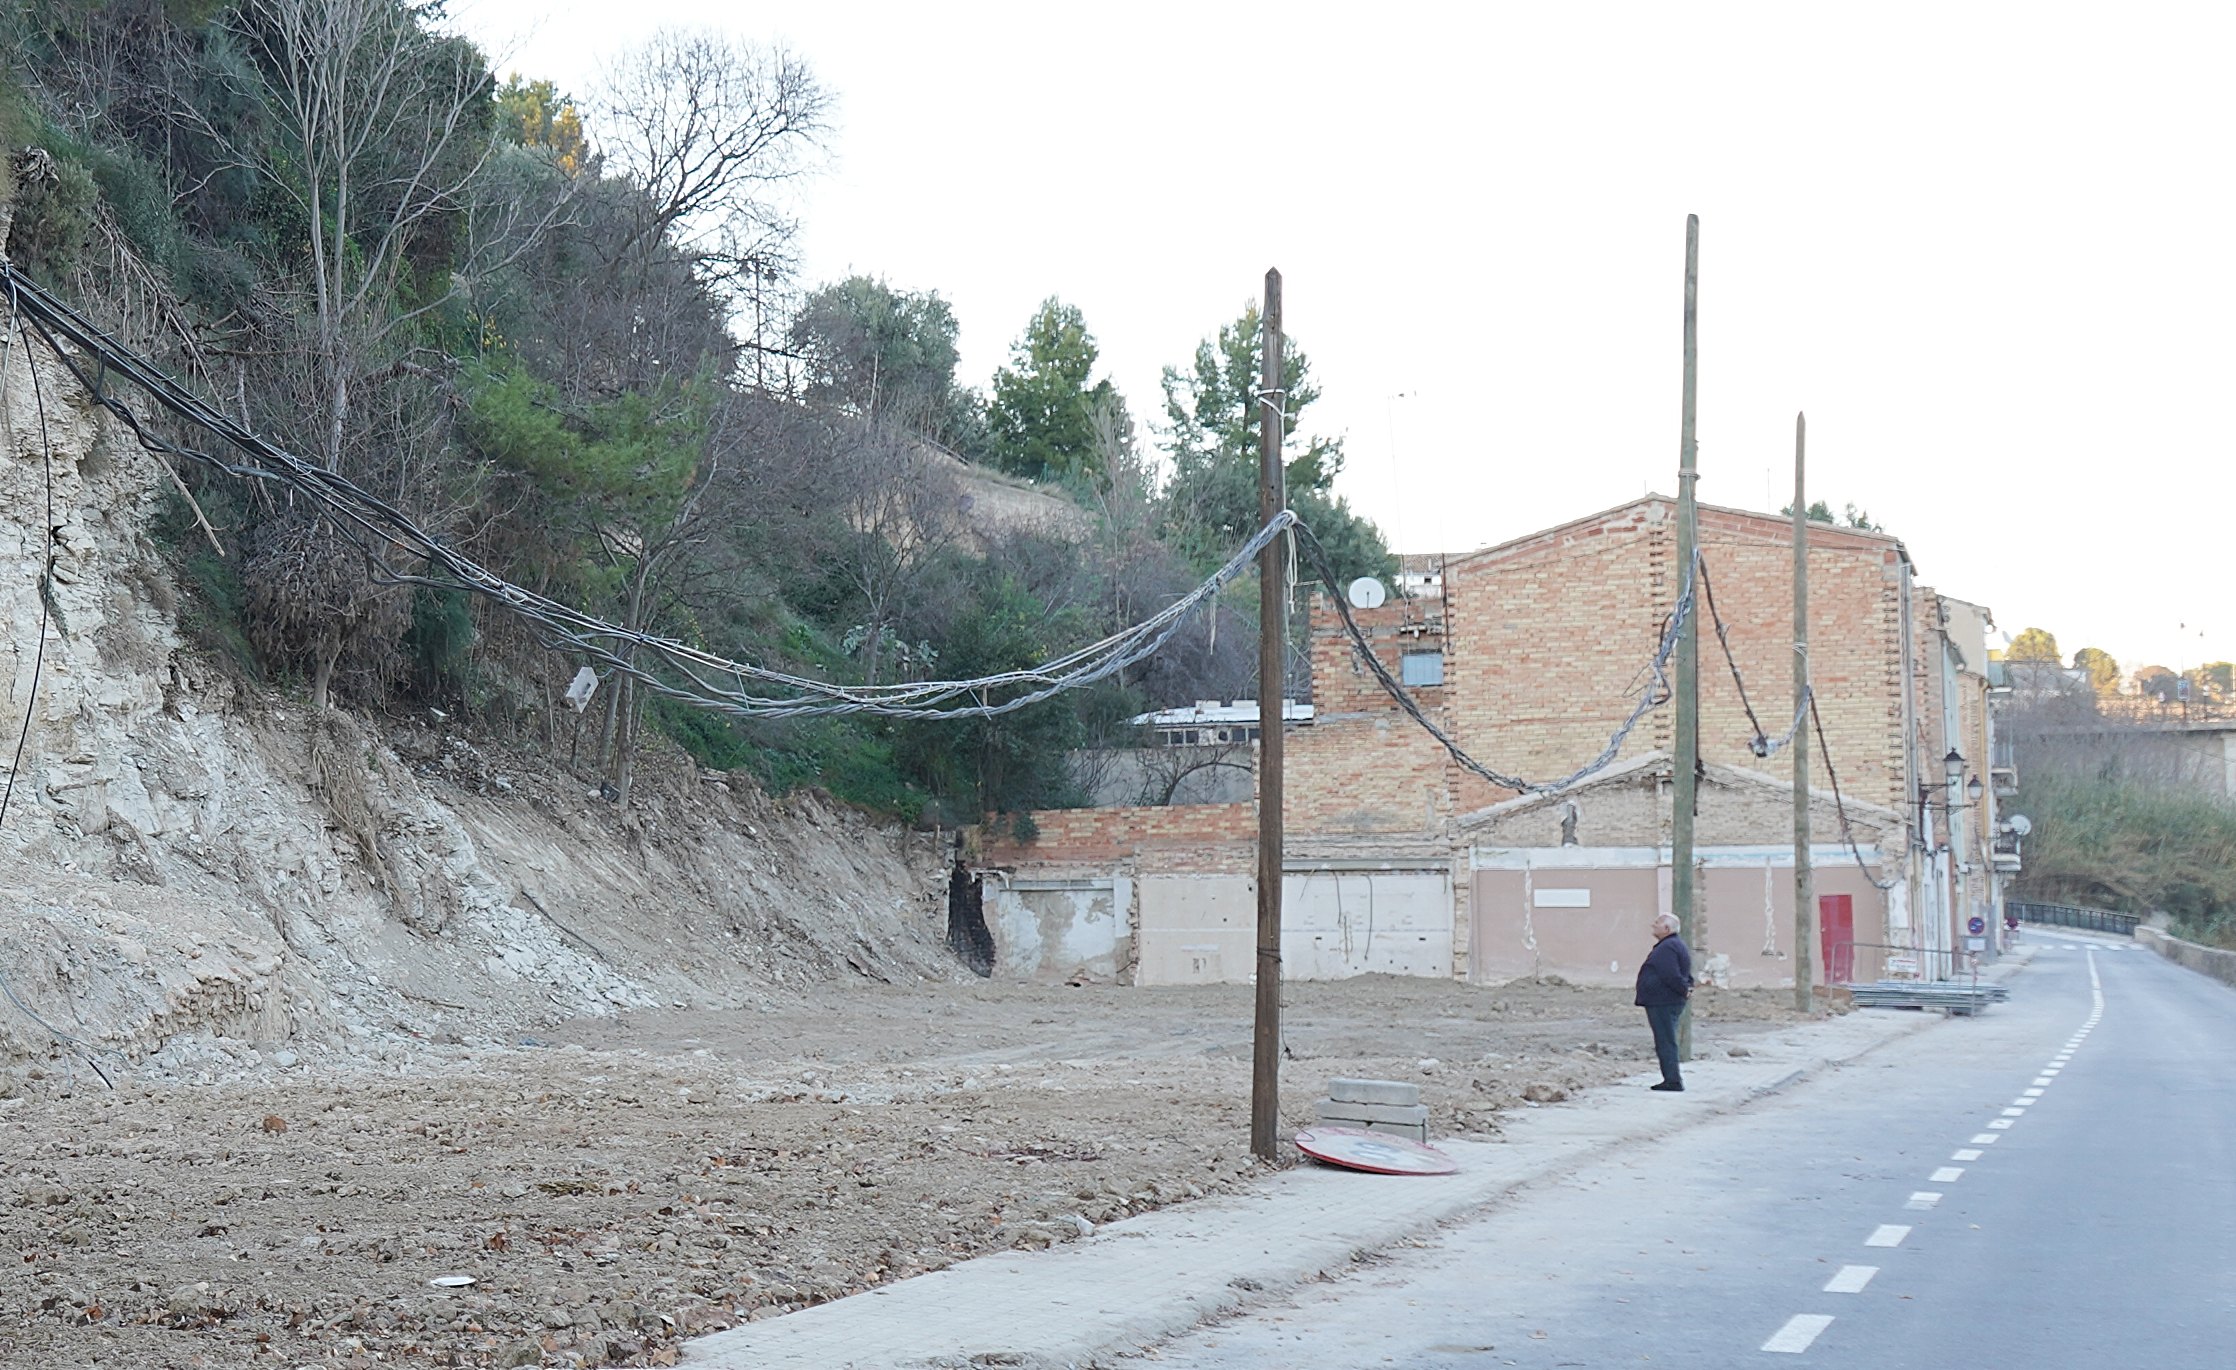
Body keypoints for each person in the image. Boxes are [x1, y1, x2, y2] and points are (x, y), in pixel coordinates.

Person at [1635, 912, 1693, 1092]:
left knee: (1666, 1041)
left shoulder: (1668, 947)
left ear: (1667, 929)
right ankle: (1670, 1078)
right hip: (1665, 1000)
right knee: (1666, 1039)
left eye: (1658, 922)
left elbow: (1671, 974)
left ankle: (1672, 1080)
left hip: (1663, 1001)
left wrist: (1683, 989)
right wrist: (1686, 987)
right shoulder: (1673, 945)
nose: (1654, 924)